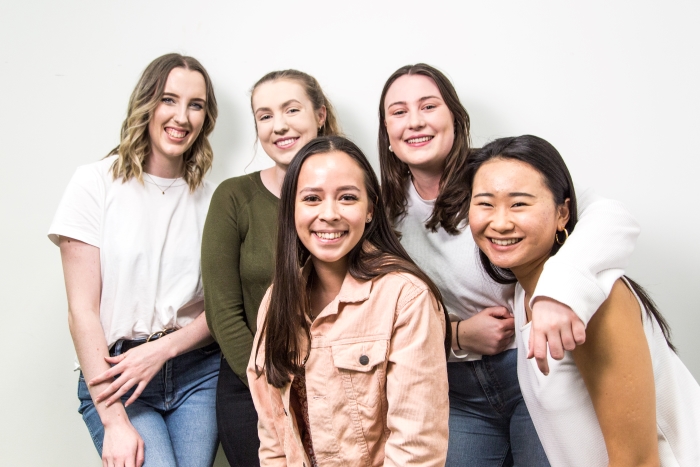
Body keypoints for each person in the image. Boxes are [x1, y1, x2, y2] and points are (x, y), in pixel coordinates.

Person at [377, 63, 640, 466]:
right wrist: (458, 334)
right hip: (454, 387)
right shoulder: (380, 211)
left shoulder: (500, 172)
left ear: (455, 118)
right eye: (398, 112)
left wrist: (557, 292)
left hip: (538, 366)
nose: (415, 121)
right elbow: (384, 317)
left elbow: (611, 218)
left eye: (428, 106)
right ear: (387, 136)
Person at [467, 134, 700, 466]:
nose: (500, 222)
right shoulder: (523, 294)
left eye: (519, 203)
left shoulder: (596, 301)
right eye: (485, 203)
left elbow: (637, 461)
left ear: (563, 214)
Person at [49, 53, 220, 467]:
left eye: (195, 105)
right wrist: (113, 420)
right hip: (117, 374)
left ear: (205, 118)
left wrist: (163, 351)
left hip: (198, 372)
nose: (182, 116)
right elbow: (82, 312)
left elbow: (222, 308)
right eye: (169, 99)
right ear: (146, 103)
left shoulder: (215, 198)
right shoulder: (95, 183)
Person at [247, 136, 450, 466]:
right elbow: (274, 437)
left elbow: (417, 449)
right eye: (312, 198)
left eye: (347, 198)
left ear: (370, 209)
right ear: (291, 209)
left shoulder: (406, 298)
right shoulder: (276, 301)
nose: (329, 214)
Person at [201, 69, 341, 466]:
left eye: (291, 109)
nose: (278, 125)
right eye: (264, 115)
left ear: (320, 115)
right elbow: (223, 312)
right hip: (252, 385)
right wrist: (269, 384)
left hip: (339, 384)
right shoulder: (234, 197)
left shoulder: (354, 193)